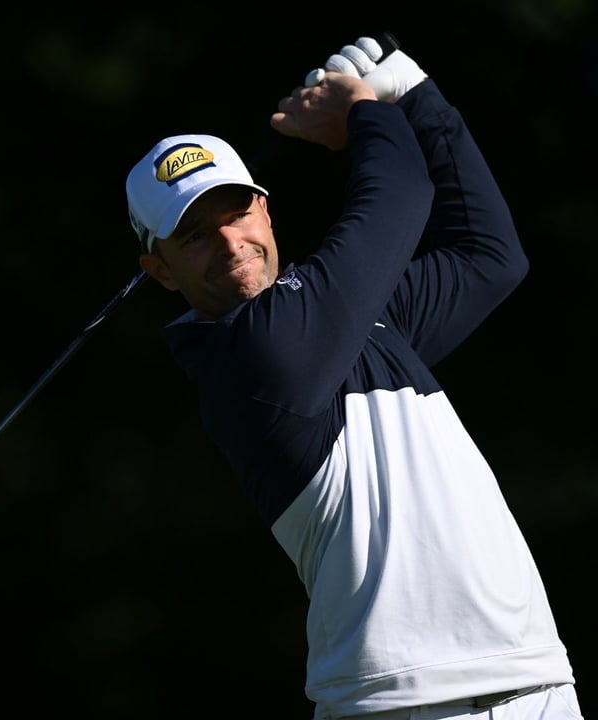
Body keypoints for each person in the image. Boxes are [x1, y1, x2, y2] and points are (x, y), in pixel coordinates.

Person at [124, 37, 583, 719]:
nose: (229, 243)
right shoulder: (249, 356)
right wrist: (365, 109)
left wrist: (416, 96)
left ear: (265, 208)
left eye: (237, 212)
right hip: (403, 702)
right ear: (159, 270)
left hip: (536, 680)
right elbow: (400, 193)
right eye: (194, 235)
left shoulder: (357, 323)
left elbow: (488, 255)